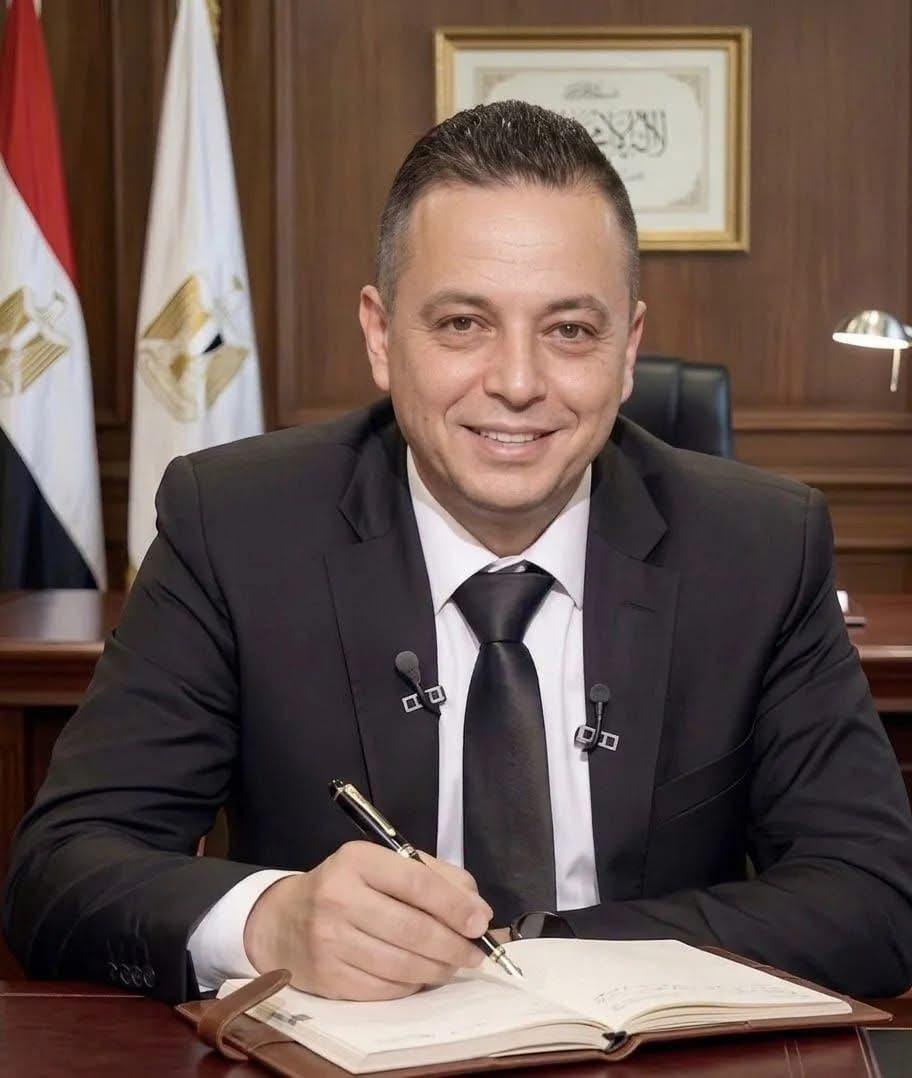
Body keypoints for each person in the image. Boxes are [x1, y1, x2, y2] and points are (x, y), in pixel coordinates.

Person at [5, 101, 912, 1006]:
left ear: (628, 349)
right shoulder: (237, 528)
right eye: (463, 324)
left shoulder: (759, 548)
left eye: (569, 330)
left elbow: (873, 898)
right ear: (380, 336)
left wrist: (544, 951)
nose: (517, 383)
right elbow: (62, 869)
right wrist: (269, 922)